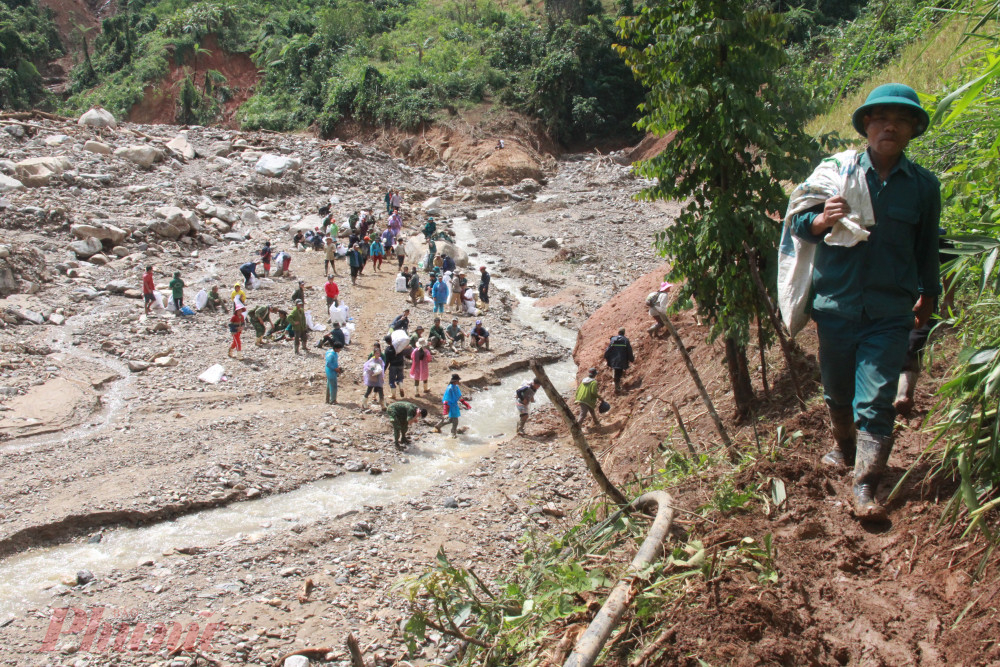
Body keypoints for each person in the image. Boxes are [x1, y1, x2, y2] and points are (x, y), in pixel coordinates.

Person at [786, 83, 939, 519]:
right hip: (836, 307)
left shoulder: (924, 187)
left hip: (890, 312)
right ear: (867, 127)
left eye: (901, 119)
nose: (889, 126)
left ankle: (866, 485)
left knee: (874, 400)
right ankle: (844, 447)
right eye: (880, 118)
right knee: (837, 393)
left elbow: (928, 246)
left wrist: (929, 296)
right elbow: (797, 225)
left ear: (912, 129)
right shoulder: (836, 174)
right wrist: (820, 220)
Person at [604, 328, 635, 394]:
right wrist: (631, 359)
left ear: (618, 332)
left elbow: (609, 349)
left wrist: (606, 356)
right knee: (619, 372)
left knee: (616, 371)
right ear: (624, 333)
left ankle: (617, 385)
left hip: (613, 359)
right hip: (622, 360)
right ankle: (617, 386)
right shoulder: (626, 340)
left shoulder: (613, 339)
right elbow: (629, 350)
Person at [362, 345, 387, 410]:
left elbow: (382, 368)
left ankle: (383, 404)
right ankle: (364, 402)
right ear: (374, 353)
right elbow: (367, 367)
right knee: (369, 390)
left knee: (381, 391)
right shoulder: (371, 360)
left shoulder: (380, 360)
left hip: (379, 378)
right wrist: (373, 370)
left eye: (379, 353)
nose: (378, 354)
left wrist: (381, 375)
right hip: (372, 378)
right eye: (376, 353)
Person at [382, 334, 407, 399]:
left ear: (387, 342)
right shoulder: (399, 347)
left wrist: (383, 370)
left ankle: (393, 395)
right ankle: (401, 387)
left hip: (393, 366)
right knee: (400, 378)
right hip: (401, 365)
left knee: (391, 381)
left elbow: (387, 361)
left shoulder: (387, 350)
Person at [325, 340, 343, 404]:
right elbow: (328, 364)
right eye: (339, 349)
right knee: (333, 385)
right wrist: (335, 369)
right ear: (336, 348)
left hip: (332, 370)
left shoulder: (332, 352)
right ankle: (333, 400)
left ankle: (328, 399)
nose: (340, 350)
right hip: (331, 371)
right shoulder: (331, 354)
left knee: (329, 385)